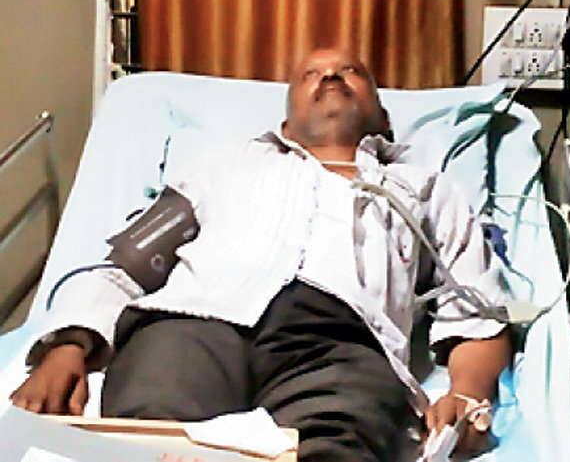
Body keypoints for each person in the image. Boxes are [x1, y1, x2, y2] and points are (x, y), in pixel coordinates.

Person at [11, 48, 511, 462]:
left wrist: (466, 395)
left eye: (350, 70)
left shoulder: (425, 189)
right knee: (152, 433)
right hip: (193, 323)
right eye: (310, 74)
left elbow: (477, 313)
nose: (330, 77)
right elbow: (125, 267)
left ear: (383, 117)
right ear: (287, 124)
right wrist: (67, 348)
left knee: (344, 443)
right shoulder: (221, 167)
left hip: (342, 343)